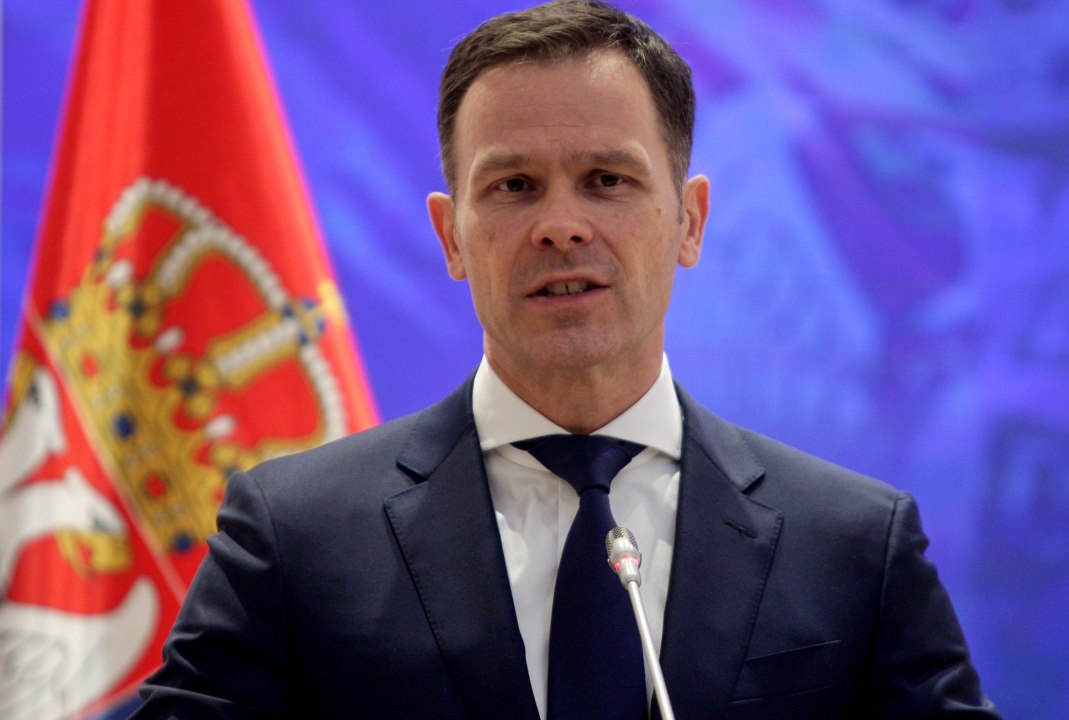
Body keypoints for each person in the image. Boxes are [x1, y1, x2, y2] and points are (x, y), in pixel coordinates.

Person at [135, 1, 1000, 718]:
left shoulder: (853, 548)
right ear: (451, 236)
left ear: (690, 220)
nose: (560, 226)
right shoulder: (294, 537)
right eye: (513, 187)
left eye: (607, 181)